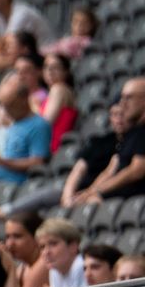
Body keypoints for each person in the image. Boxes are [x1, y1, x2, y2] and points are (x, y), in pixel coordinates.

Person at [61, 78, 145, 206]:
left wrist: (95, 193)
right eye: (122, 97)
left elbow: (137, 170)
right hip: (119, 197)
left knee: (91, 203)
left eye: (129, 97)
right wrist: (89, 192)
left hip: (131, 198)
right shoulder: (131, 134)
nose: (122, 103)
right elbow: (110, 170)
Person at [1, 208, 50, 287]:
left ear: (37, 237)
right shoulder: (23, 267)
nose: (9, 244)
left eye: (17, 236)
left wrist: (9, 266)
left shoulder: (43, 263)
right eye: (7, 237)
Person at [38, 218, 87, 287]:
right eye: (42, 247)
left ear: (73, 246)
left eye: (53, 244)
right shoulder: (54, 270)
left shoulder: (83, 267)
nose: (46, 252)